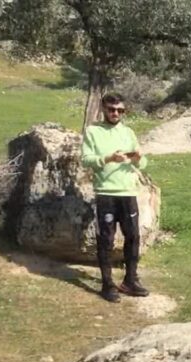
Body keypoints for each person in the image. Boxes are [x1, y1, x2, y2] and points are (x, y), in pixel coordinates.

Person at [81, 93, 149, 303]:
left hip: (128, 193)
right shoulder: (93, 131)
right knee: (106, 239)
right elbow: (86, 160)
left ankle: (130, 280)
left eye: (120, 110)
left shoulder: (128, 132)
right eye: (112, 109)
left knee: (133, 237)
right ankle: (107, 284)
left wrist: (138, 158)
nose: (116, 114)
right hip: (106, 194)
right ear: (104, 109)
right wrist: (109, 158)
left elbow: (143, 163)